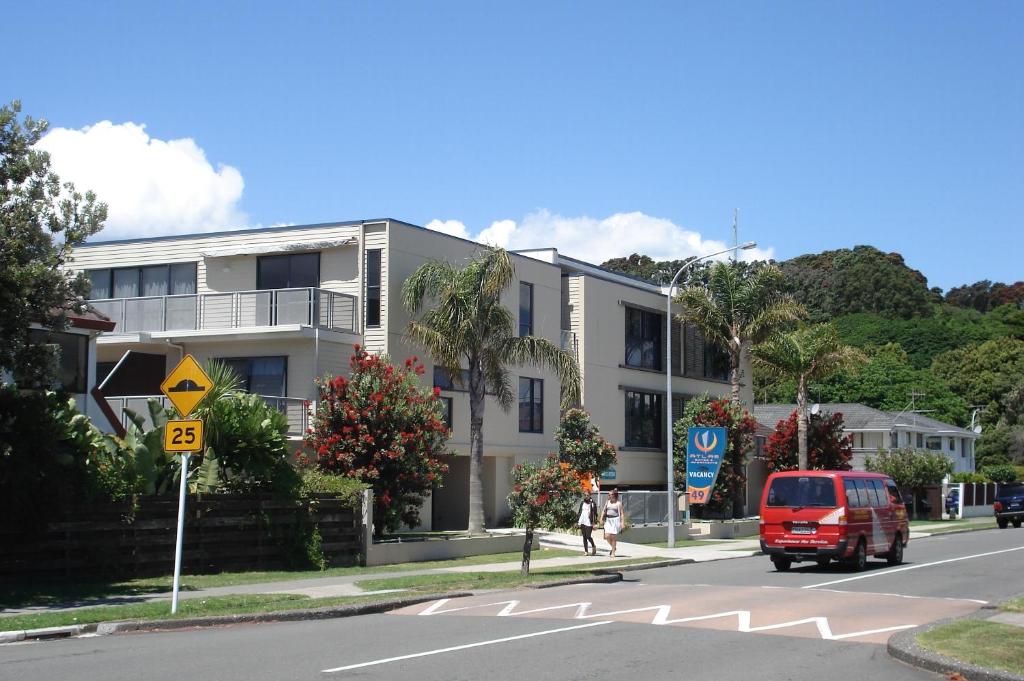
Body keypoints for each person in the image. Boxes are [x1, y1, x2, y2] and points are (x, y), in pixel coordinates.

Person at [600, 489, 624, 557]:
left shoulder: (618, 503)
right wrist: (601, 518)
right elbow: (603, 511)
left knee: (613, 537)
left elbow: (622, 514)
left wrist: (622, 523)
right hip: (608, 520)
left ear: (614, 495)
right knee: (606, 536)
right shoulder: (607, 502)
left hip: (615, 520)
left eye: (610, 494)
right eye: (609, 495)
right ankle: (614, 547)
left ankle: (613, 552)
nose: (609, 496)